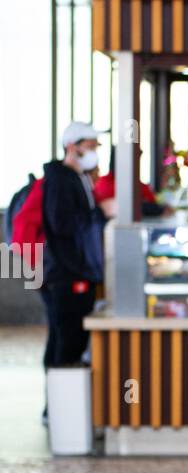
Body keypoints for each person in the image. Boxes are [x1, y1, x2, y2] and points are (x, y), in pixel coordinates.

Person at [40, 122, 109, 372]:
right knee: (66, 341)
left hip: (79, 272)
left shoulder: (78, 178)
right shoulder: (60, 180)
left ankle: (60, 405)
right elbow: (63, 224)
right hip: (67, 274)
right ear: (71, 147)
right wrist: (101, 213)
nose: (93, 152)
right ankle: (61, 405)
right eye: (89, 146)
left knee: (67, 339)